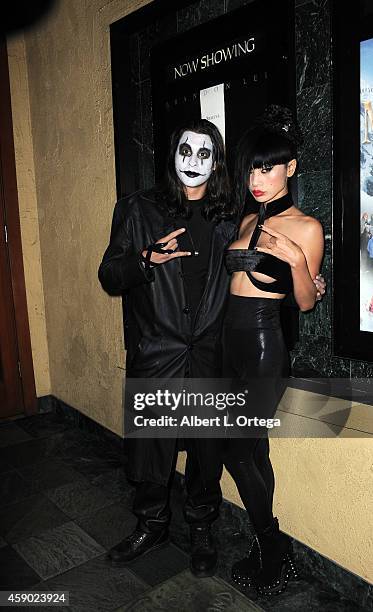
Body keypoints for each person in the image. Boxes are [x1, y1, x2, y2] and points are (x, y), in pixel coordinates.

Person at [98, 119, 236, 577]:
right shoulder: (138, 209)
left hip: (208, 353)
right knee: (152, 448)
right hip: (158, 350)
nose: (192, 162)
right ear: (171, 153)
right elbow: (109, 275)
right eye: (185, 150)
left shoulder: (227, 215)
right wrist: (144, 259)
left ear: (215, 162)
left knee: (204, 450)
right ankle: (152, 524)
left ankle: (201, 528)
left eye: (203, 153)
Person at [222, 105, 324, 596]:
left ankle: (272, 545)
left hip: (264, 344)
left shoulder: (306, 226)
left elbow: (304, 302)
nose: (256, 178)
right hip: (230, 343)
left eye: (267, 166)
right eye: (250, 167)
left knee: (236, 450)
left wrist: (298, 261)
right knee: (251, 450)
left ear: (291, 168)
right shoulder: (245, 218)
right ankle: (267, 548)